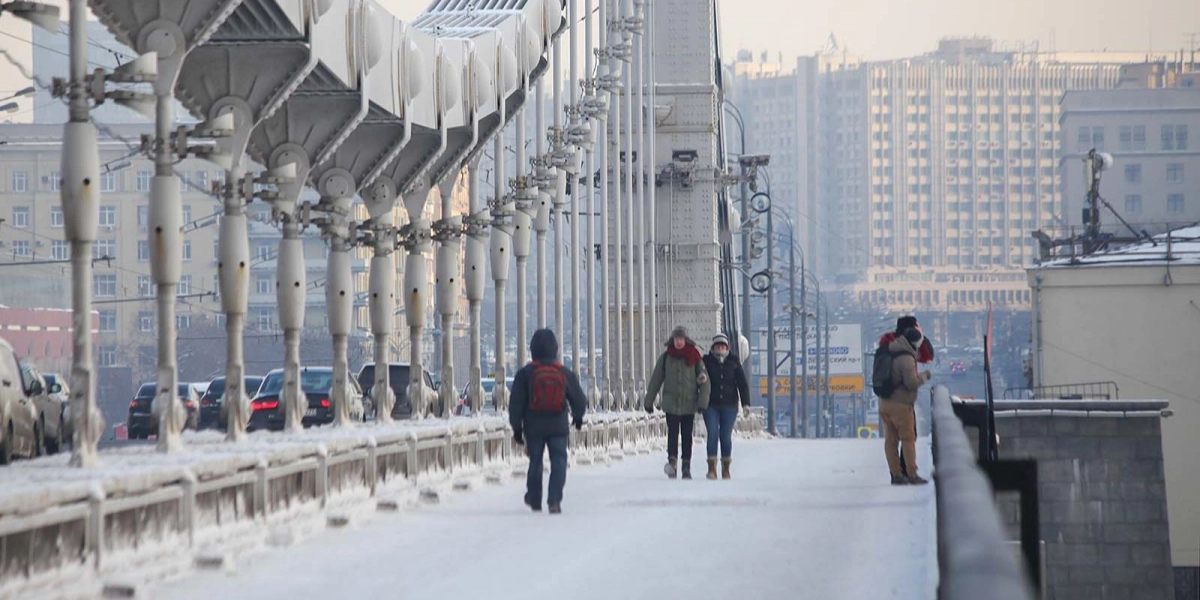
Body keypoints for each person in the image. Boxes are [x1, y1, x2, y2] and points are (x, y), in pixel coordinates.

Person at [509, 329, 588, 513]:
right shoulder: (563, 372)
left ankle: (534, 498)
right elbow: (579, 398)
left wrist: (517, 429)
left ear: (532, 349)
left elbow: (516, 403)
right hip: (558, 425)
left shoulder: (526, 373)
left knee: (535, 461)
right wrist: (577, 417)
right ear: (555, 349)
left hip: (533, 426)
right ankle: (554, 499)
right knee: (559, 460)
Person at [644, 325, 710, 480]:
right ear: (672, 340)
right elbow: (656, 380)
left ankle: (686, 466)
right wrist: (649, 401)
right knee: (672, 435)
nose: (678, 342)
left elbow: (705, 381)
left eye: (681, 339)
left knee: (687, 436)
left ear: (685, 340)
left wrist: (702, 403)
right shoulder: (666, 357)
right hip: (671, 403)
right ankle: (672, 463)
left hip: (689, 403)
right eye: (676, 339)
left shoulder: (695, 357)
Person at [876, 315, 934, 477]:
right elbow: (927, 358)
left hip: (886, 399)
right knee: (908, 438)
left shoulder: (888, 343)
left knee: (891, 439)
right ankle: (910, 474)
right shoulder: (907, 352)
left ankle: (896, 474)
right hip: (901, 402)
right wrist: (924, 376)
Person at [701, 334, 752, 480]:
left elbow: (742, 384)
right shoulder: (706, 361)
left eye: (723, 346)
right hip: (711, 405)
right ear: (713, 347)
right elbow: (698, 379)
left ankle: (725, 468)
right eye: (718, 346)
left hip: (730, 405)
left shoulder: (734, 362)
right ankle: (711, 468)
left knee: (725, 436)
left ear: (727, 347)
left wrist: (746, 403)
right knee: (712, 434)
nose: (720, 349)